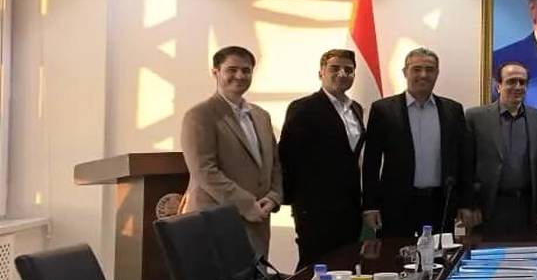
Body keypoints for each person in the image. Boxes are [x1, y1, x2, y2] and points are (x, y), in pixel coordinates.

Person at [180, 45, 282, 256]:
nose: (240, 76)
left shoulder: (262, 116)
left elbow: (275, 164)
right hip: (216, 221)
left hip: (258, 221)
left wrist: (273, 197)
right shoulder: (200, 115)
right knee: (218, 279)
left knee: (256, 278)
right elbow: (204, 170)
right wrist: (247, 205)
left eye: (246, 70)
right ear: (216, 72)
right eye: (232, 70)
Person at [361, 47, 469, 238]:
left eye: (430, 69)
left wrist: (465, 203)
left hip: (440, 204)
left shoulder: (453, 110)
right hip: (396, 203)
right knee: (394, 254)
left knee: (439, 255)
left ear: (437, 73)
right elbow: (371, 162)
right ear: (405, 72)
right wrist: (370, 206)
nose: (423, 75)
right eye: (417, 69)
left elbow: (464, 159)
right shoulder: (383, 110)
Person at [279, 49, 366, 268]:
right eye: (335, 68)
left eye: (348, 69)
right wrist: (297, 202)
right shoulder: (303, 108)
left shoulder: (356, 109)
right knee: (314, 266)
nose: (342, 73)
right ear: (321, 72)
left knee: (345, 263)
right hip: (315, 207)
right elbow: (288, 156)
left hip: (349, 205)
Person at [462, 62, 537, 237]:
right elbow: (465, 165)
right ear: (499, 86)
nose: (518, 87)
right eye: (511, 81)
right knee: (484, 254)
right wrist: (469, 205)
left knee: (526, 254)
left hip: (526, 208)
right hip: (486, 207)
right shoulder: (475, 117)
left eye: (522, 82)